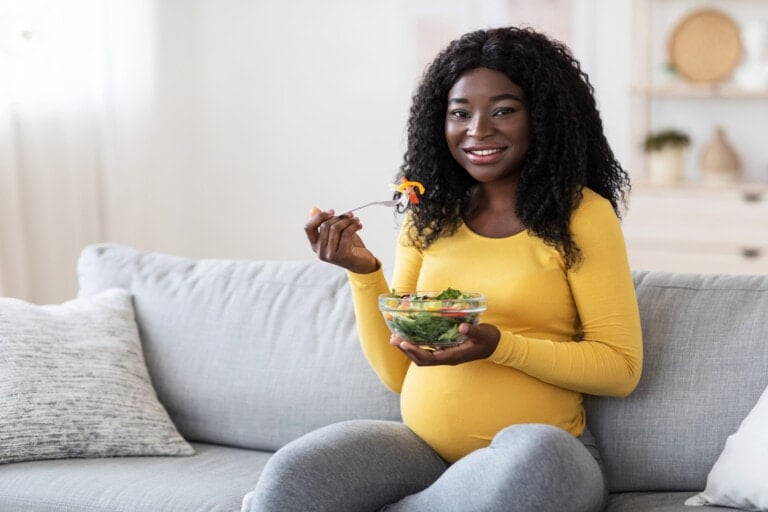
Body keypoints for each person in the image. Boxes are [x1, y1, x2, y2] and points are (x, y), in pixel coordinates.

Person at [247, 26, 643, 512]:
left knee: (533, 463)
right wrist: (363, 270)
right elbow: (398, 372)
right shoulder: (429, 215)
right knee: (295, 477)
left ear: (543, 117)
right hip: (424, 451)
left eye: (503, 110)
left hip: (539, 456)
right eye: (460, 113)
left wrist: (499, 346)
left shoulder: (582, 214)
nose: (477, 130)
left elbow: (621, 369)